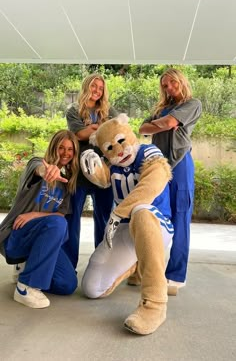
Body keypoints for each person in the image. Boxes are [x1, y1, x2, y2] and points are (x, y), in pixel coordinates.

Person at [80, 114, 174, 335]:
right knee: (92, 288)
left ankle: (154, 305)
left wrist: (117, 213)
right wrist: (91, 164)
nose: (119, 151)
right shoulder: (113, 165)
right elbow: (103, 178)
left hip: (155, 224)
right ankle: (135, 264)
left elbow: (151, 185)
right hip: (126, 229)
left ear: (129, 134)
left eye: (121, 141)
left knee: (140, 211)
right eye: (110, 148)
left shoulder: (148, 153)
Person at [0, 130, 79, 309]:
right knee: (58, 224)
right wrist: (46, 170)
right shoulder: (36, 164)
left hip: (40, 238)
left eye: (70, 149)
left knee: (68, 285)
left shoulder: (66, 184)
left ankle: (27, 268)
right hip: (16, 235)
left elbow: (60, 214)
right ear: (53, 147)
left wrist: (36, 214)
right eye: (61, 147)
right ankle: (25, 287)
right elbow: (39, 169)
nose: (66, 153)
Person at [139, 68, 202, 289]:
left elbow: (165, 125)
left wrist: (162, 124)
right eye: (165, 85)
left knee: (181, 218)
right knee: (156, 217)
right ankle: (152, 270)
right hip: (159, 166)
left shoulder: (192, 104)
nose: (169, 88)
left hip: (181, 165)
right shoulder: (162, 108)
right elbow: (142, 128)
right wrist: (164, 122)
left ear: (180, 81)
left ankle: (176, 275)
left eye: (172, 83)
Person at [64, 73, 118, 269]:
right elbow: (79, 134)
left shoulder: (109, 110)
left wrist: (93, 128)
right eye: (93, 86)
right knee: (72, 218)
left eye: (100, 88)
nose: (97, 90)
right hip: (78, 172)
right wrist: (100, 128)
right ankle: (69, 265)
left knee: (104, 219)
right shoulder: (74, 111)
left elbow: (117, 132)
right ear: (87, 87)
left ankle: (101, 265)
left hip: (103, 173)